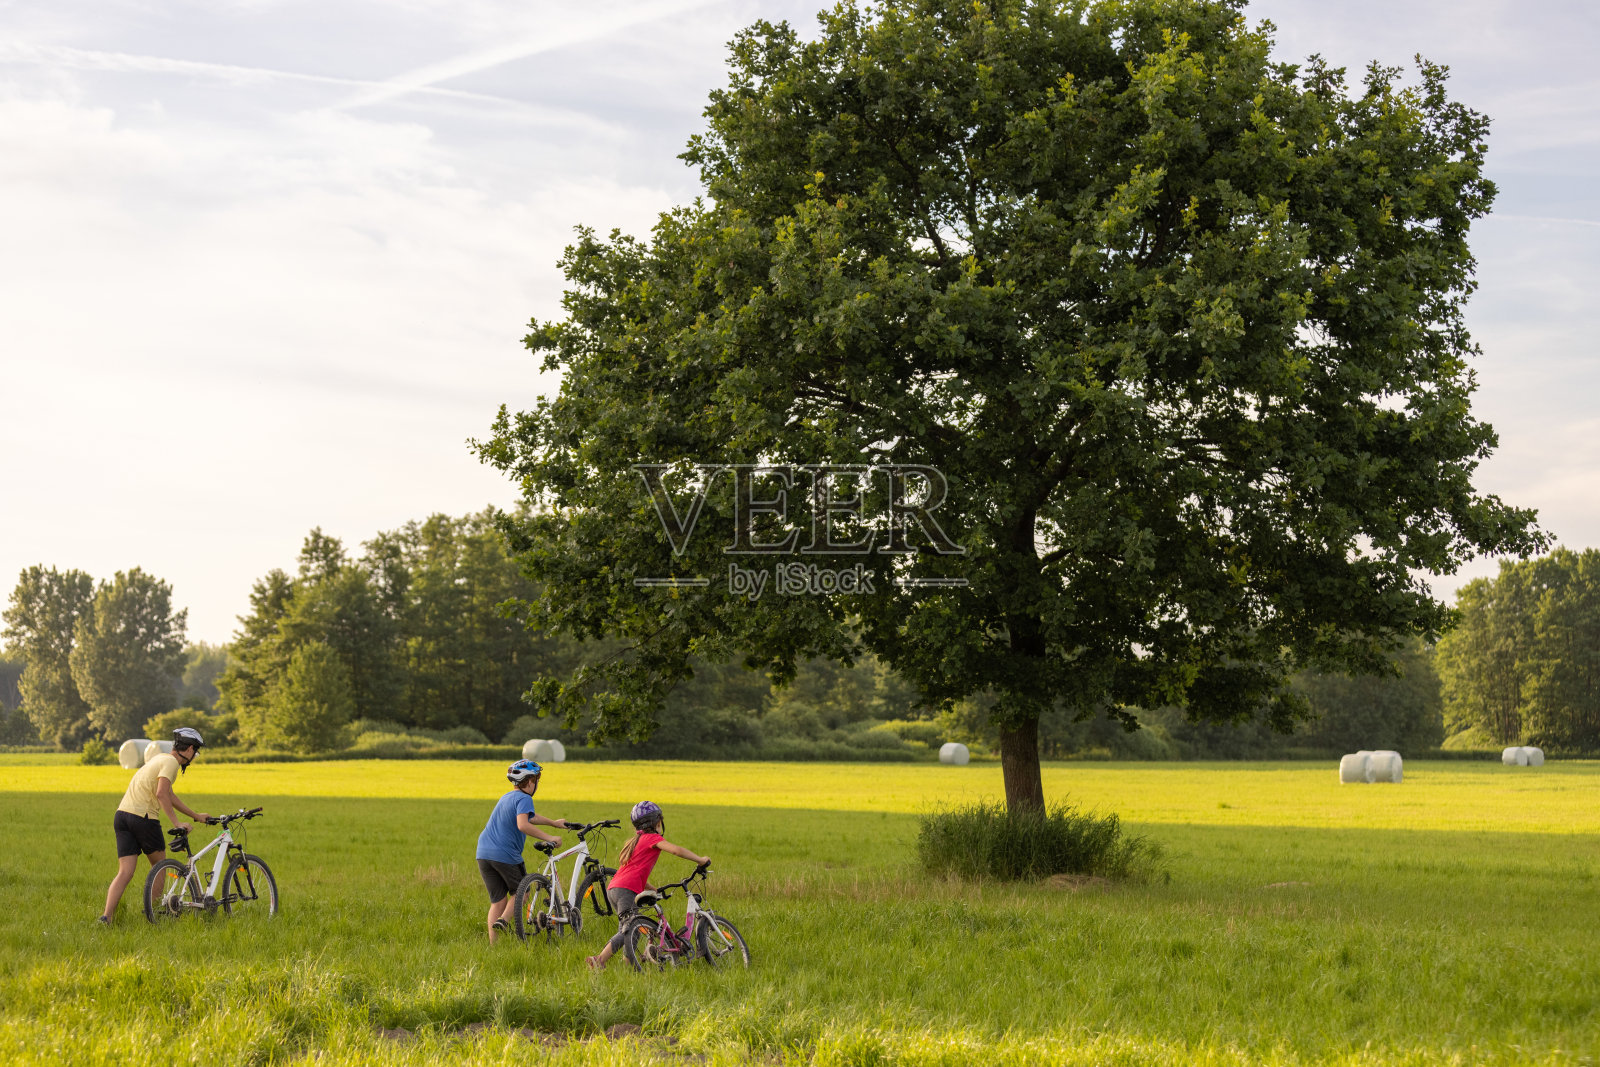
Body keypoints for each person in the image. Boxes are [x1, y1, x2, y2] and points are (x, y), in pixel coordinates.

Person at [99, 727, 212, 925]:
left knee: (125, 872)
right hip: (144, 817)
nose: (194, 756)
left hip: (122, 816)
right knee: (160, 867)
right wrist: (177, 823)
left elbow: (169, 794)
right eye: (195, 752)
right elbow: (161, 793)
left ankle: (106, 917)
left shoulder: (159, 759)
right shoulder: (171, 763)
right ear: (189, 749)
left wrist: (195, 816)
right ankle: (151, 916)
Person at [586, 800, 709, 970]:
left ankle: (629, 966)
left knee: (629, 928)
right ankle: (599, 960)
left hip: (615, 889)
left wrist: (654, 889)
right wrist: (700, 859)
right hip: (626, 890)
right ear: (656, 822)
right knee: (629, 929)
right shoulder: (652, 838)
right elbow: (675, 850)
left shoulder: (636, 841)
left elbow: (634, 873)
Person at [476, 759, 572, 943]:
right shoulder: (524, 798)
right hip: (504, 854)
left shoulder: (507, 797)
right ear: (529, 782)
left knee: (498, 901)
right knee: (523, 891)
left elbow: (530, 816)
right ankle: (504, 921)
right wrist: (550, 837)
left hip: (483, 853)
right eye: (536, 780)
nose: (536, 784)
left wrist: (554, 823)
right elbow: (523, 824)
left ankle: (493, 946)